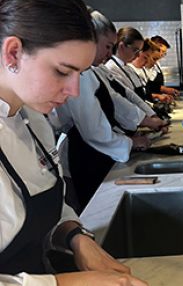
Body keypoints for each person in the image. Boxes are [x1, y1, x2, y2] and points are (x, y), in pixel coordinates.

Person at [0, 0, 150, 286]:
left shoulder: (32, 118)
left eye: (79, 74)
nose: (74, 90)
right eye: (63, 71)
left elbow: (40, 201)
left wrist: (77, 240)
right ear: (13, 53)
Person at [55, 15, 165, 212]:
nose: (109, 53)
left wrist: (147, 119)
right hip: (84, 155)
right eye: (107, 46)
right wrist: (130, 142)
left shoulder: (95, 71)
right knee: (94, 210)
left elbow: (119, 99)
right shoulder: (82, 74)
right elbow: (93, 129)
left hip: (99, 151)